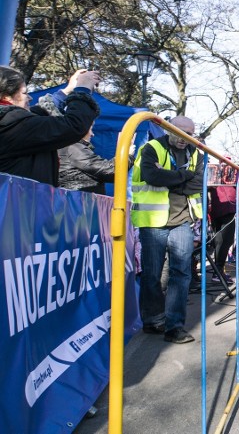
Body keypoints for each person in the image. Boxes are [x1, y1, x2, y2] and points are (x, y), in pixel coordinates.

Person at [131, 116, 204, 344]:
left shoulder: (196, 153)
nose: (184, 138)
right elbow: (152, 176)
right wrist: (185, 176)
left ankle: (174, 327)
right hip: (153, 222)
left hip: (182, 220)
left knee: (181, 274)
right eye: (180, 132)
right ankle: (153, 320)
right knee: (152, 273)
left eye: (189, 134)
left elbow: (197, 184)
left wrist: (170, 177)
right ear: (167, 128)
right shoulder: (151, 148)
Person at [0, 66, 100, 186]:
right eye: (25, 93)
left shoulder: (8, 121)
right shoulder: (10, 124)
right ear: (6, 96)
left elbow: (39, 113)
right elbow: (73, 125)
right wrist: (82, 90)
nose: (30, 97)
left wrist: (68, 90)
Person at [58, 123, 125, 194]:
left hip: (79, 200)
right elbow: (109, 171)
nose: (92, 134)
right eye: (90, 130)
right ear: (82, 131)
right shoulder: (73, 148)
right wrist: (126, 155)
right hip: (79, 201)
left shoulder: (70, 148)